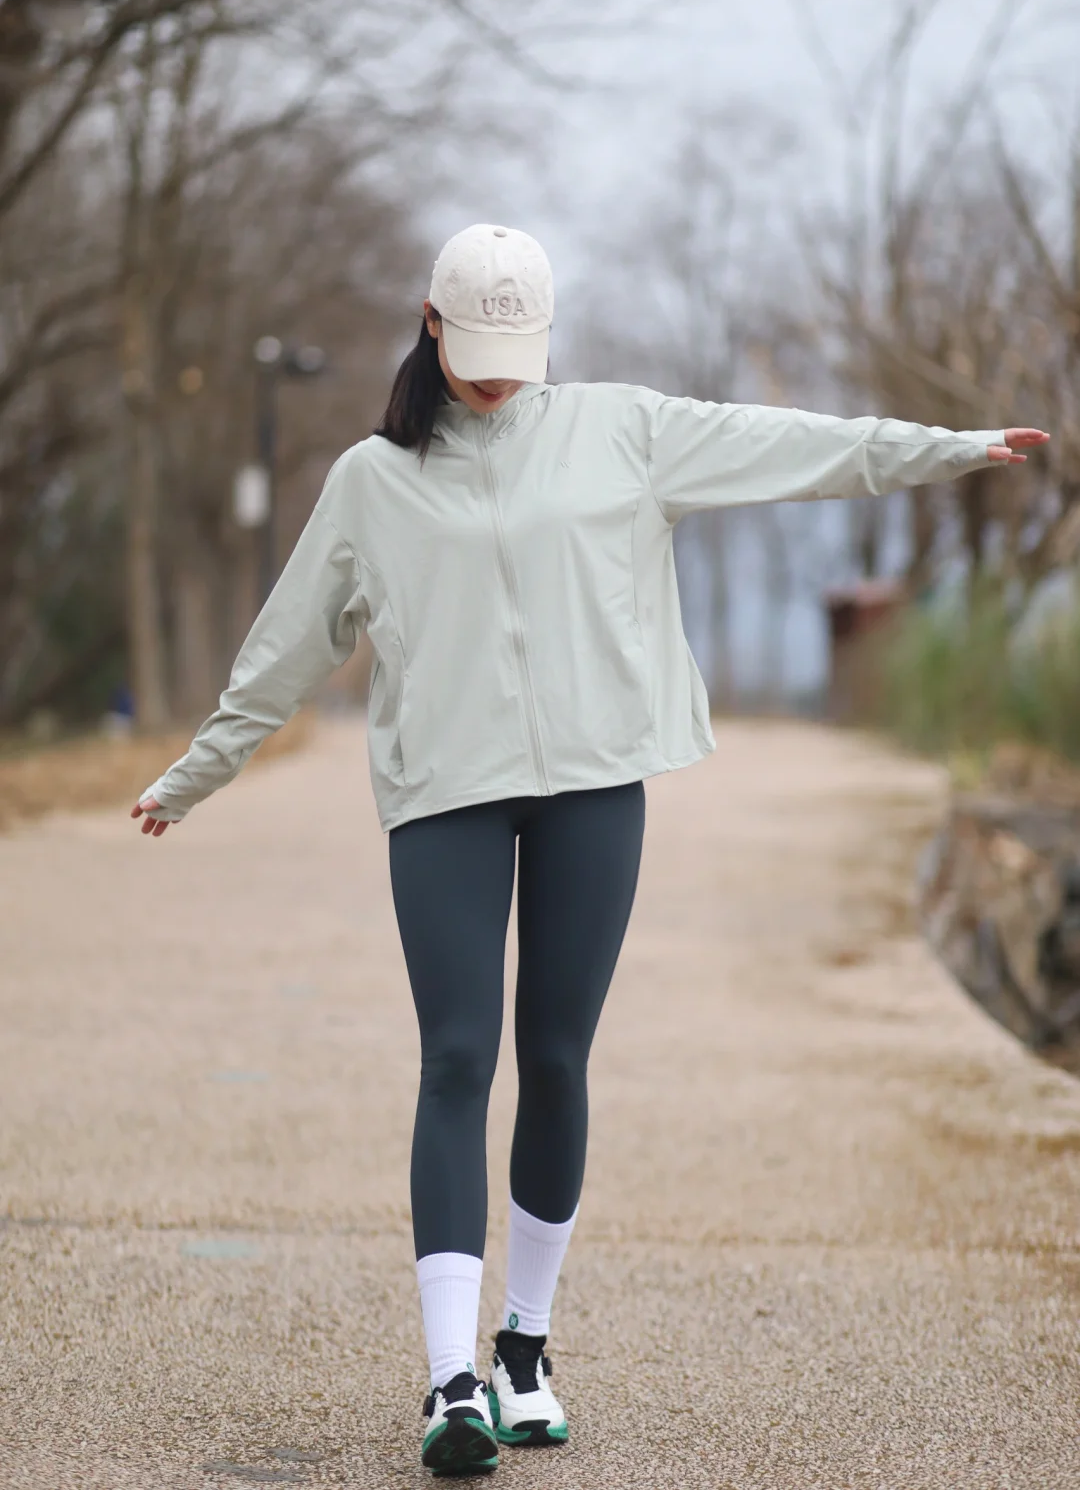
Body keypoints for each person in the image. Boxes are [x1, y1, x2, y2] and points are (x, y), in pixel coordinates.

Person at [131, 223, 1047, 1478]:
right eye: (476, 347)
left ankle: (525, 1350)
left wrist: (953, 450)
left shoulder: (625, 428)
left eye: (522, 349)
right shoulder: (370, 480)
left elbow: (800, 450)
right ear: (431, 322)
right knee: (457, 1058)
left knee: (555, 1059)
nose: (500, 374)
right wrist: (197, 773)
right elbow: (288, 644)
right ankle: (451, 1382)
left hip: (593, 792)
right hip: (444, 795)